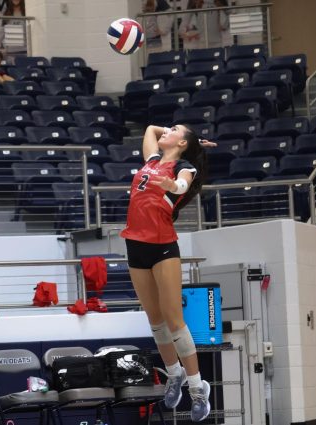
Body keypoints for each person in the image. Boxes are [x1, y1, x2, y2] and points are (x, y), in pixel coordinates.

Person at [120, 125, 217, 422]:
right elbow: (150, 128)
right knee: (156, 322)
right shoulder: (151, 160)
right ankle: (174, 375)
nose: (167, 130)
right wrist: (189, 137)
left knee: (175, 322)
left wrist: (171, 185)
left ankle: (198, 390)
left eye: (174, 130)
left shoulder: (183, 167)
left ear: (182, 143)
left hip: (162, 246)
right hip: (135, 245)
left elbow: (183, 186)